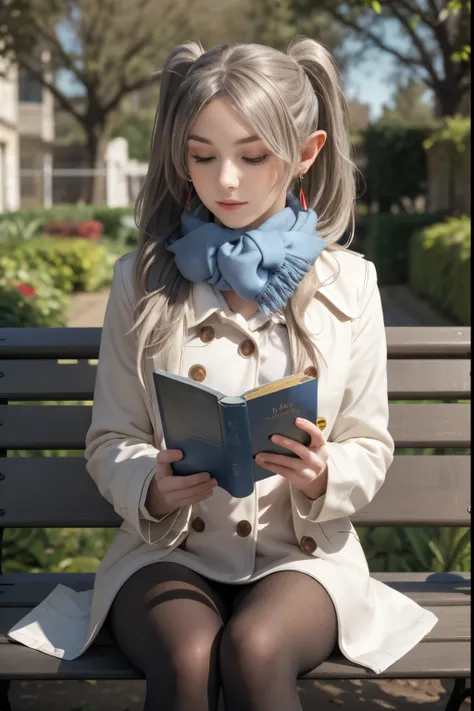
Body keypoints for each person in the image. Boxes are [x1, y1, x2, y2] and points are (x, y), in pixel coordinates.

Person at [7, 37, 437, 711]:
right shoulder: (143, 279)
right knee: (190, 655)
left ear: (306, 151)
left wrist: (324, 474)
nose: (225, 180)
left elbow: (368, 442)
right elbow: (110, 437)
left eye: (252, 154)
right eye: (202, 156)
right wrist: (149, 484)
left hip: (303, 556)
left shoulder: (350, 283)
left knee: (255, 647)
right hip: (167, 550)